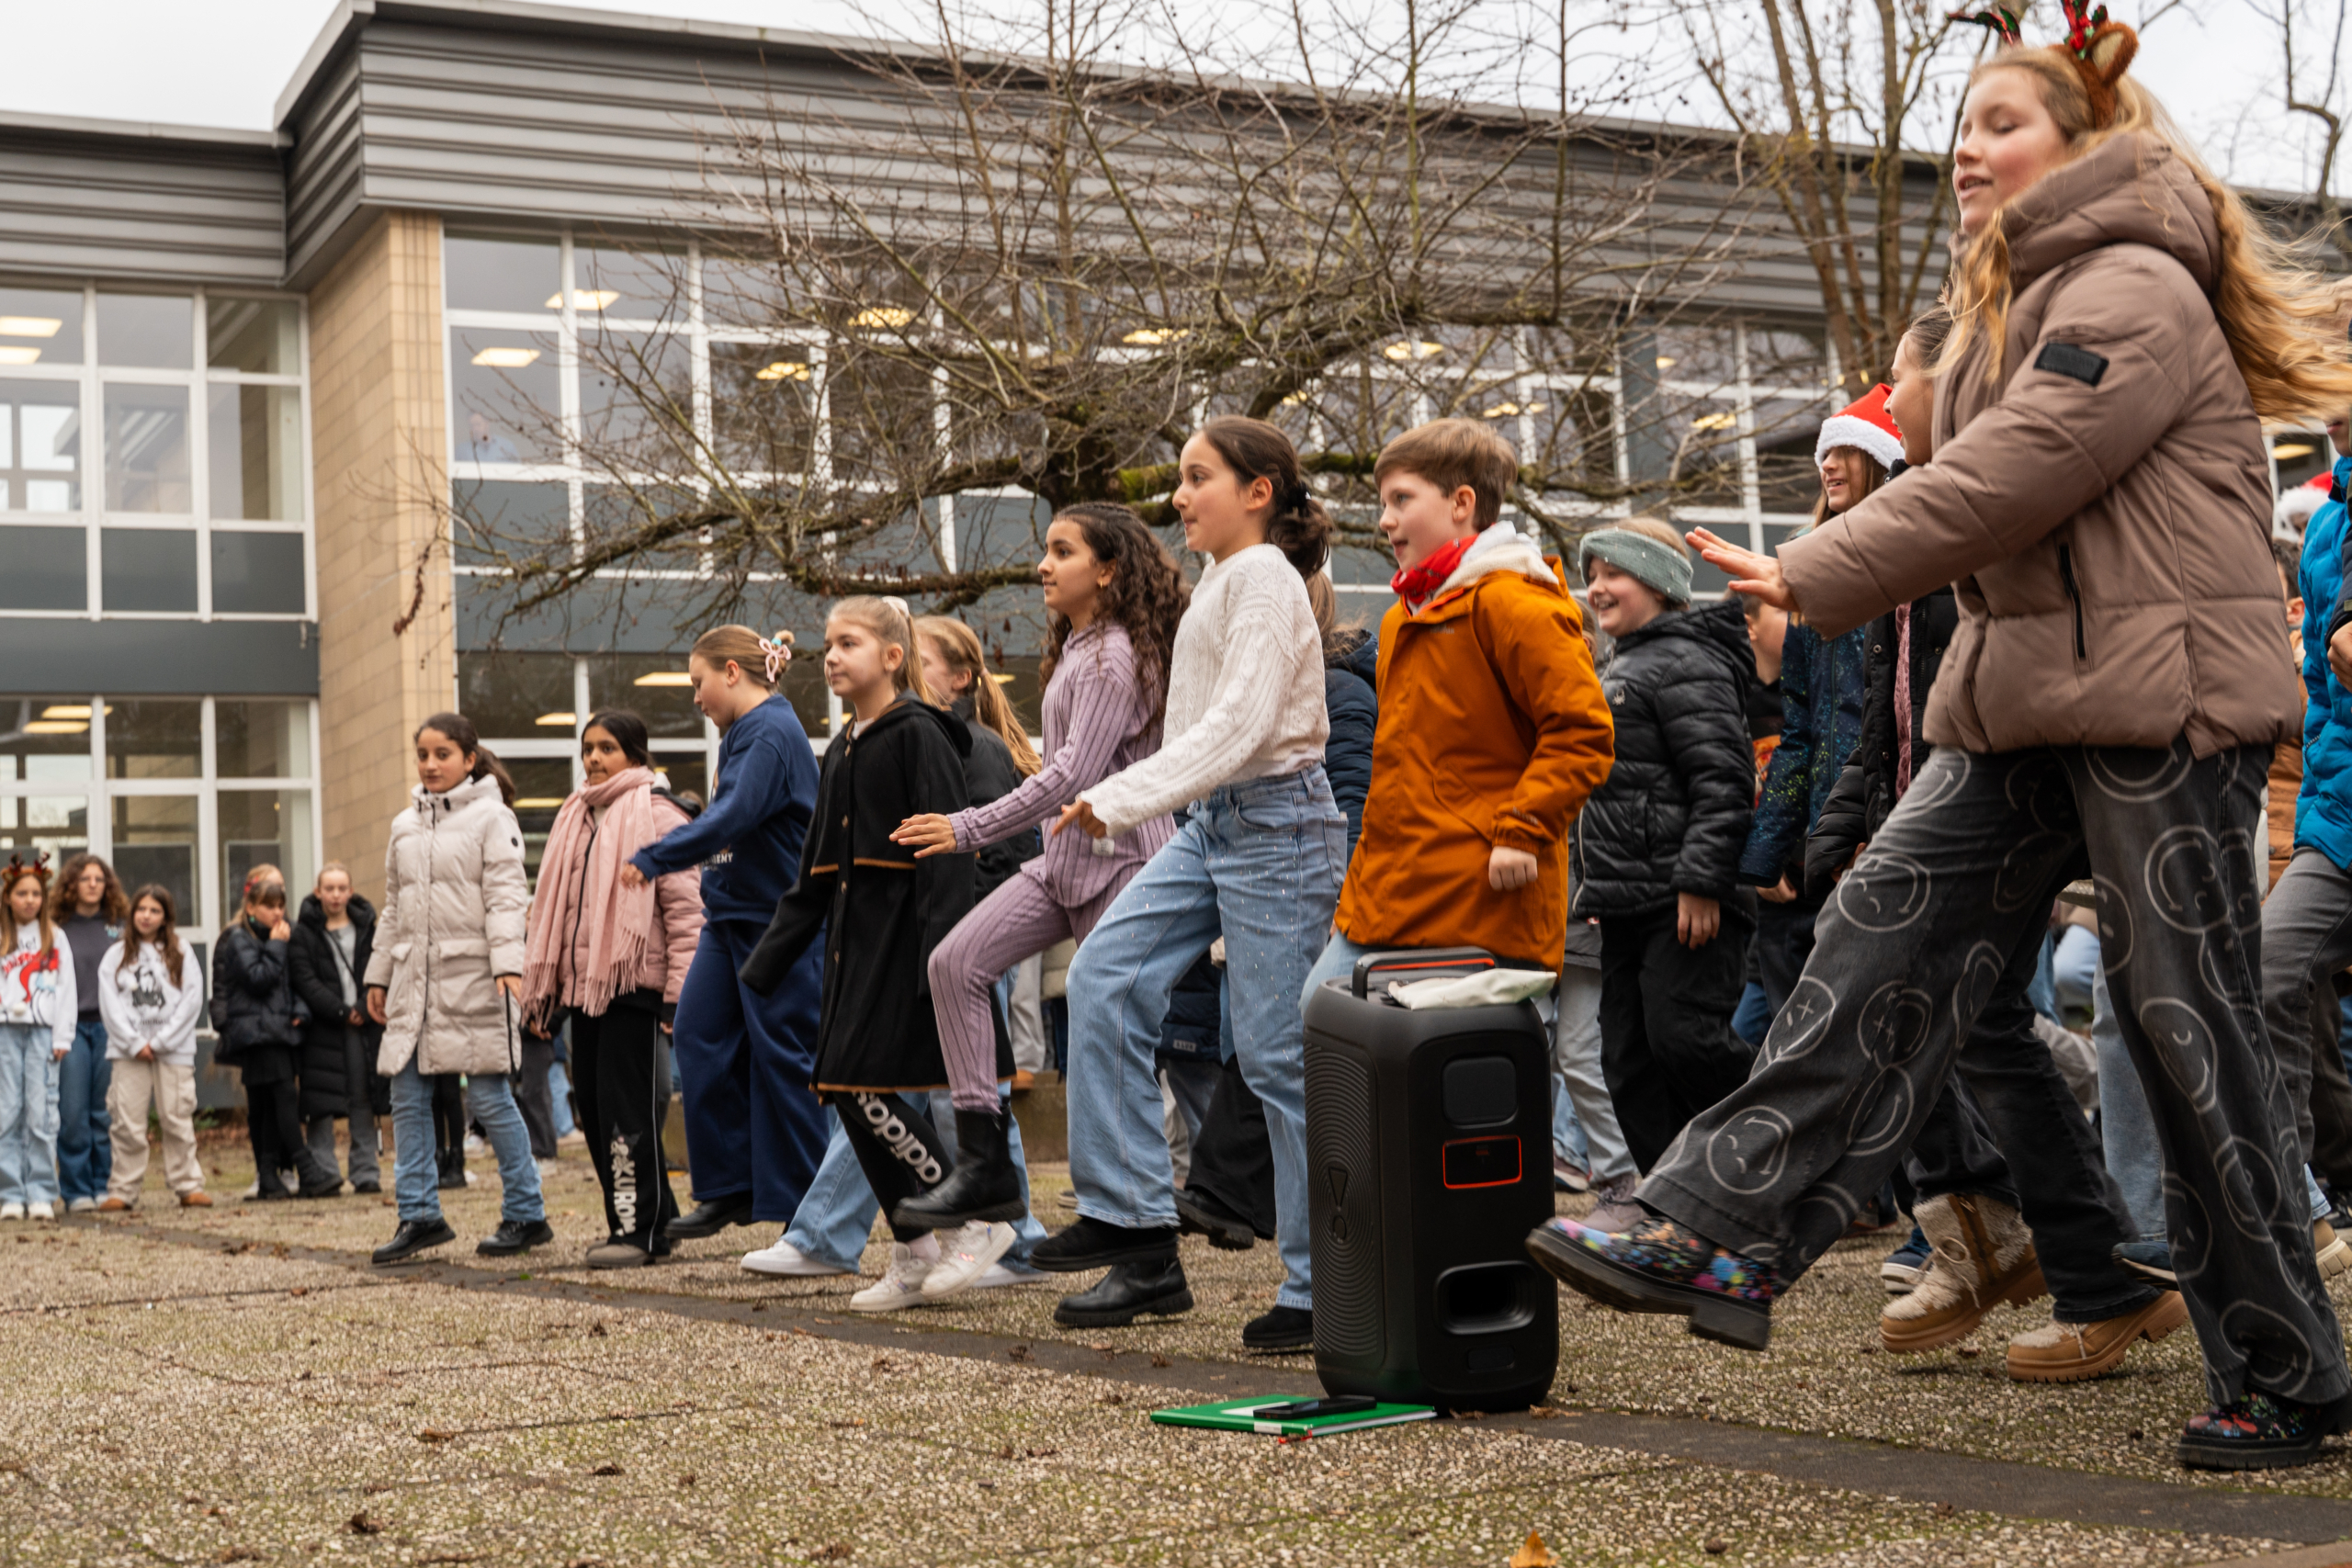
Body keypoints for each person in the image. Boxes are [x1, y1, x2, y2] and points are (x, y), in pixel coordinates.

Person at [1534, 21, 2352, 1468]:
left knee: (2186, 1026)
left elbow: (2016, 469)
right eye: (1962, 127)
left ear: (2087, 142)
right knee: (1875, 936)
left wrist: (1821, 565)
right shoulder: (2006, 296)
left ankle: (2289, 1371)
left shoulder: (2136, 284)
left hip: (2159, 701)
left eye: (2002, 123)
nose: (1968, 150)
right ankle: (1714, 1225)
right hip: (2020, 695)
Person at [1027, 417, 1349, 1352]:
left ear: (1258, 492)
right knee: (1102, 979)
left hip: (1279, 824)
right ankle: (1135, 1231)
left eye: (1197, 476)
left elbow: (1244, 723)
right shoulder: (1221, 580)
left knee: (1276, 1057)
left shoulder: (1264, 577)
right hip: (1215, 823)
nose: (1178, 495)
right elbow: (1204, 733)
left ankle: (1325, 1284)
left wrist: (1121, 797)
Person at [741, 596, 977, 1313]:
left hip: (908, 951)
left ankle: (966, 1214)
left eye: (849, 642)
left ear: (893, 657)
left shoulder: (919, 735)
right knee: (844, 1086)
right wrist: (764, 964)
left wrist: (941, 959)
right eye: (828, 644)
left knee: (868, 1088)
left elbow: (948, 857)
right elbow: (815, 874)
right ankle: (916, 1250)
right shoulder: (841, 747)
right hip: (852, 953)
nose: (832, 656)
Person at [1570, 517, 1758, 1223]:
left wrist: (1702, 881)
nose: (1597, 588)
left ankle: (1777, 1141)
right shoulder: (1622, 665)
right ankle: (1678, 1202)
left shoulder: (1686, 661)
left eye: (1613, 573)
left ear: (1659, 582)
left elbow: (1723, 779)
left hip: (1684, 899)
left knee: (1685, 1038)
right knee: (1626, 1058)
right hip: (1627, 900)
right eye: (1592, 576)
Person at [624, 626, 826, 1245]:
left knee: (784, 1058)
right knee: (698, 1033)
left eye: (699, 682)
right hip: (730, 915)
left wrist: (655, 856)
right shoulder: (742, 732)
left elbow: (733, 815)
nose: (695, 697)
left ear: (732, 672)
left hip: (776, 920)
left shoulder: (770, 732)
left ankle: (813, 1215)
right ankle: (730, 1186)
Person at [364, 713, 552, 1263]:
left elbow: (507, 896)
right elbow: (393, 907)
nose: (430, 764)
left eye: (442, 754)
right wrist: (378, 973)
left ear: (469, 759)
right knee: (406, 1098)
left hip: (475, 980)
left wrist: (509, 964)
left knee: (490, 1097)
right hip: (413, 984)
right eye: (423, 754)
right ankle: (420, 1215)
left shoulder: (493, 818)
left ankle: (527, 1212)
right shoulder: (404, 825)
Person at [522, 710, 704, 1269]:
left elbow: (687, 914)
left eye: (607, 748)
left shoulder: (659, 814)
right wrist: (554, 995)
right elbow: (563, 913)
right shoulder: (577, 815)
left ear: (634, 754)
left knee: (628, 1115)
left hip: (635, 985)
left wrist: (678, 995)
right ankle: (657, 1220)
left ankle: (636, 1231)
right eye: (588, 749)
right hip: (586, 991)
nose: (595, 759)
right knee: (598, 1114)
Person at [2257, 306, 2352, 1287]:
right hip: (2337, 825)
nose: (2323, 390)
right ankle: (2296, 1210)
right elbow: (2322, 696)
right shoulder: (2325, 526)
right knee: (2265, 972)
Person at [1741, 400, 1882, 1017]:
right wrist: (1765, 854)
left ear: (1881, 459)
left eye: (1845, 450)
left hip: (1880, 831)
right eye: (1824, 452)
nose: (1827, 464)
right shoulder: (1805, 570)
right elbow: (1799, 730)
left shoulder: (1909, 561)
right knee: (1790, 1024)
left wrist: (1869, 830)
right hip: (1817, 846)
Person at [214, 869, 342, 1202]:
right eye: (269, 906)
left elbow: (293, 981)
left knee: (269, 1107)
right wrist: (275, 945)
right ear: (251, 908)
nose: (277, 913)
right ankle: (306, 1169)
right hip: (257, 1035)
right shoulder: (240, 939)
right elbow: (259, 978)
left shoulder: (280, 938)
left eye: (280, 906)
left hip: (279, 1032)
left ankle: (270, 1176)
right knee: (282, 1098)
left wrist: (300, 1010)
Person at [96, 886, 208, 1211]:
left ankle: (188, 1185)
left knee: (177, 1117)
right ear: (132, 914)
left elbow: (192, 1000)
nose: (146, 916)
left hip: (173, 1049)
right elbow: (109, 1004)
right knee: (127, 1121)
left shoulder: (180, 951)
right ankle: (123, 1189)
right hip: (128, 1051)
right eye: (141, 909)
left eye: (154, 911)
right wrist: (134, 1042)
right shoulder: (116, 955)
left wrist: (160, 1042)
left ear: (165, 917)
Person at [288, 864, 385, 1194]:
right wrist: (341, 1011)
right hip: (323, 1027)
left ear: (351, 891)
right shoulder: (304, 933)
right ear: (318, 892)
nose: (335, 895)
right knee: (320, 1101)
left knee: (362, 1096)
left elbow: (379, 969)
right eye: (329, 888)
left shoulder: (368, 929)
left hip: (362, 1026)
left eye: (342, 888)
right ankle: (324, 1171)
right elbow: (305, 979)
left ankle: (366, 1171)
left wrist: (362, 1008)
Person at [49, 853, 122, 1213]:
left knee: (103, 1113)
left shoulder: (119, 927)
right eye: (85, 879)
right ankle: (76, 1189)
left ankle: (104, 1185)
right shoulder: (56, 928)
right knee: (73, 1112)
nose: (93, 884)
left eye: (99, 879)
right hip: (72, 1028)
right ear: (71, 884)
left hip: (110, 1027)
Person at [0, 857, 72, 1222]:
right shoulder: (2, 936)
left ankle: (41, 1191)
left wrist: (63, 1035)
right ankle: (10, 1193)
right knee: (7, 1112)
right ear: (7, 896)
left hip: (43, 1031)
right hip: (5, 1032)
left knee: (42, 1112)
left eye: (36, 894)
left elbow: (67, 988)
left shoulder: (54, 937)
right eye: (21, 893)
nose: (29, 900)